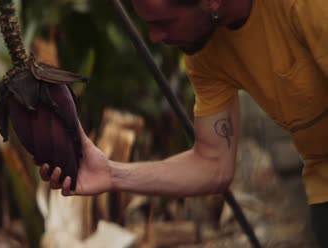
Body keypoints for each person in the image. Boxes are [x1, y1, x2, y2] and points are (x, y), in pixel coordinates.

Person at [39, 0, 328, 246]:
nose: (154, 36)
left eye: (164, 22)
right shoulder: (205, 51)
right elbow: (213, 164)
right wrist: (112, 174)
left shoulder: (308, 6)